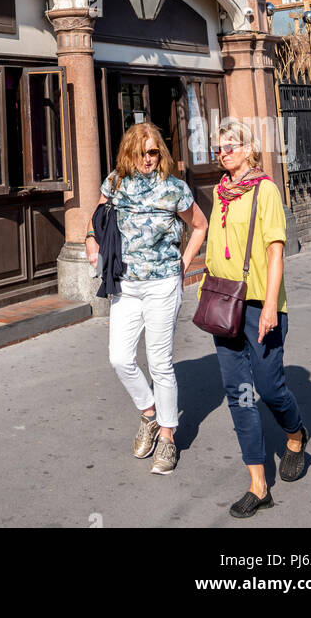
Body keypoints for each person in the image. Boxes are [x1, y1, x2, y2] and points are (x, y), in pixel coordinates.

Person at [86, 122, 208, 475]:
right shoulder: (116, 183)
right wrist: (91, 238)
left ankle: (168, 437)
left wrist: (183, 265)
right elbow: (98, 216)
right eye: (141, 152)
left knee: (160, 363)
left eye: (153, 152)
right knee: (119, 358)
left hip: (162, 285)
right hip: (126, 284)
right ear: (130, 153)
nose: (148, 159)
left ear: (161, 153)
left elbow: (199, 226)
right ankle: (150, 413)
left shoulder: (174, 190)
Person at [202, 117, 308, 518]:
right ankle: (258, 483)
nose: (222, 153)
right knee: (239, 393)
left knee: (269, 386)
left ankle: (295, 434)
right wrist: (206, 290)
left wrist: (268, 307)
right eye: (219, 148)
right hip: (224, 303)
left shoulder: (266, 190)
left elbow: (275, 252)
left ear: (248, 150)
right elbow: (216, 245)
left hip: (260, 306)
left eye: (230, 146)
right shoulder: (220, 191)